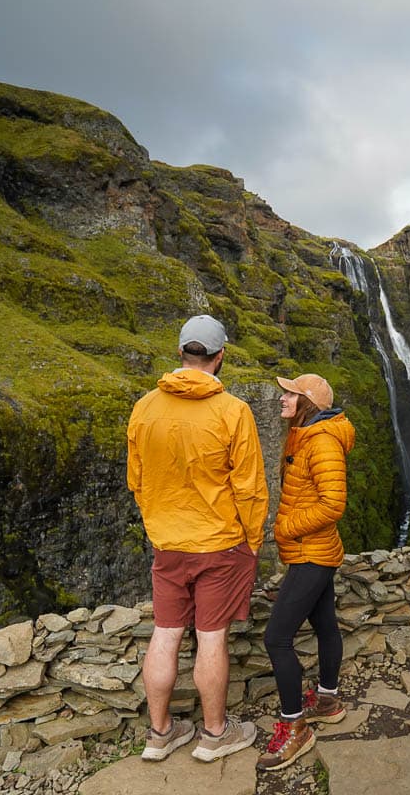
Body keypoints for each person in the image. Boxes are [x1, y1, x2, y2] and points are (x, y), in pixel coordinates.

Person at [126, 314, 269, 762]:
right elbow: (250, 486)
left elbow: (137, 480)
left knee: (165, 633)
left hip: (168, 544)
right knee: (211, 638)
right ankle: (214, 734)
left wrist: (158, 524)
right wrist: (253, 541)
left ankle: (160, 732)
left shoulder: (145, 407)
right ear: (220, 356)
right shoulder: (233, 411)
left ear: (181, 354)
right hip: (220, 544)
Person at [257, 373, 356, 772]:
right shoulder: (305, 434)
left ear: (308, 402)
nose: (282, 398)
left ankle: (295, 727)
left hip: (311, 553)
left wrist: (285, 527)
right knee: (325, 623)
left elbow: (334, 504)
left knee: (276, 638)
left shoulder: (323, 441)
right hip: (313, 552)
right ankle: (328, 701)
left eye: (290, 394)